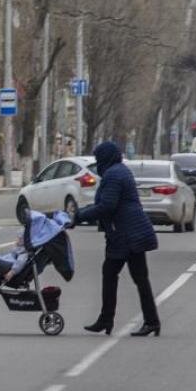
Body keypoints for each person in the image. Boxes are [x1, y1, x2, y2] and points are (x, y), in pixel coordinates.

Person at [75, 141, 161, 337]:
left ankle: (110, 320)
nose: (97, 163)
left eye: (98, 159)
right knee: (136, 278)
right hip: (130, 232)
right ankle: (148, 321)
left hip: (127, 235)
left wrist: (79, 216)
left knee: (115, 274)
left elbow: (107, 206)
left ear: (106, 157)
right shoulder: (119, 170)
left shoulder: (114, 175)